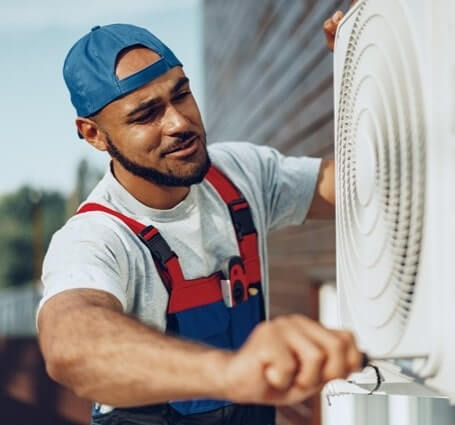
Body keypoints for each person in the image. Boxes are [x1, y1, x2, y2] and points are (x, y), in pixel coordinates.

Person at [37, 6, 357, 425]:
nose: (179, 122)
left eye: (181, 94)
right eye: (146, 114)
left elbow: (358, 185)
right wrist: (230, 374)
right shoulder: (95, 237)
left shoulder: (239, 174)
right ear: (94, 134)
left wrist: (363, 66)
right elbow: (70, 345)